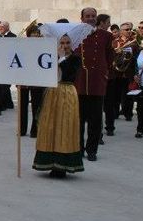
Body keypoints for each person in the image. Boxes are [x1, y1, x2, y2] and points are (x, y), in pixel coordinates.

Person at [33, 34, 84, 178]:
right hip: (51, 92)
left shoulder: (75, 59)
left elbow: (69, 74)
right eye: (62, 42)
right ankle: (49, 162)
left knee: (65, 127)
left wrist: (61, 58)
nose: (65, 45)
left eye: (68, 42)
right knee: (49, 126)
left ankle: (63, 166)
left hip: (67, 92)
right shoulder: (50, 56)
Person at [73, 7, 114, 162]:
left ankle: (92, 150)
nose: (90, 18)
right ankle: (78, 149)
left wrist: (105, 74)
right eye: (87, 16)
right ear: (82, 18)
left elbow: (110, 57)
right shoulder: (75, 34)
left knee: (95, 120)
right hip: (80, 82)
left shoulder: (106, 36)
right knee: (78, 120)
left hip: (97, 82)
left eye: (93, 16)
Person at [20, 25, 45, 136]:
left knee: (37, 106)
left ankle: (35, 130)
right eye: (33, 33)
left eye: (37, 33)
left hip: (37, 80)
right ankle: (22, 129)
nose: (35, 35)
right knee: (22, 106)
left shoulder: (44, 45)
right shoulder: (22, 45)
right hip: (24, 79)